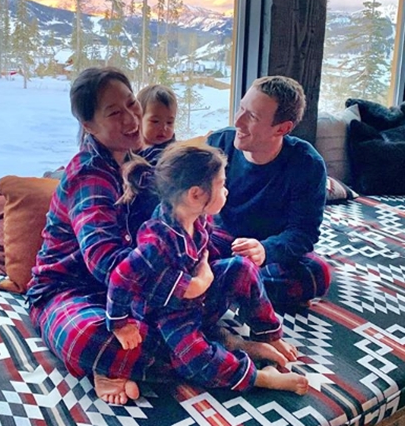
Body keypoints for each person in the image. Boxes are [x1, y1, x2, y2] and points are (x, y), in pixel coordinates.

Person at [106, 142, 309, 394]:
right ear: (195, 195)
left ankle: (266, 335)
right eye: (221, 185)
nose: (226, 191)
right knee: (193, 357)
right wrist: (119, 324)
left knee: (241, 267)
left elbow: (207, 258)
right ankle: (259, 377)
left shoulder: (198, 218)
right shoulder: (156, 241)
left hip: (200, 301)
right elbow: (120, 277)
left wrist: (206, 275)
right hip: (169, 315)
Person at [27, 67, 167, 406]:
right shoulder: (89, 174)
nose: (131, 118)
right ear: (89, 125)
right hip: (67, 290)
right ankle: (202, 355)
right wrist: (173, 282)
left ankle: (131, 360)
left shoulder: (138, 163)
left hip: (122, 294)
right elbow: (105, 261)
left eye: (132, 103)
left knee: (211, 291)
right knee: (87, 337)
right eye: (114, 113)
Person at [207, 75, 331, 306]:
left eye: (252, 116)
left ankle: (222, 283)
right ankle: (240, 285)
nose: (238, 122)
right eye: (241, 109)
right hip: (220, 238)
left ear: (282, 128)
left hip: (266, 249)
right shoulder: (217, 144)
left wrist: (264, 250)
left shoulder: (307, 163)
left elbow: (303, 232)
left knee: (317, 273)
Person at [136, 84, 178, 164]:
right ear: (139, 119)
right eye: (155, 121)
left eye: (169, 122)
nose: (164, 128)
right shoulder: (131, 146)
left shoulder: (169, 153)